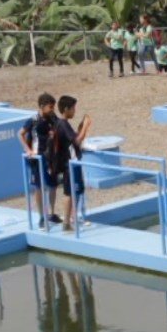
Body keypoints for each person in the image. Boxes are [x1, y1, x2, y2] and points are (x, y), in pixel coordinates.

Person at [18, 93, 60, 228]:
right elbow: (20, 133)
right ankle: (42, 216)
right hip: (37, 158)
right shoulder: (34, 119)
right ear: (42, 106)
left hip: (50, 158)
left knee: (53, 185)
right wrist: (27, 150)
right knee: (39, 187)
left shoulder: (53, 118)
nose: (53, 110)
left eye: (53, 107)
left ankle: (52, 213)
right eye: (50, 107)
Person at [54, 95, 93, 232]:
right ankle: (67, 222)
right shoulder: (63, 124)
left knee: (72, 192)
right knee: (70, 193)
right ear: (66, 109)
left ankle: (70, 220)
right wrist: (85, 127)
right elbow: (76, 141)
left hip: (69, 163)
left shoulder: (61, 124)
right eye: (73, 108)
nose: (74, 111)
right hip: (69, 164)